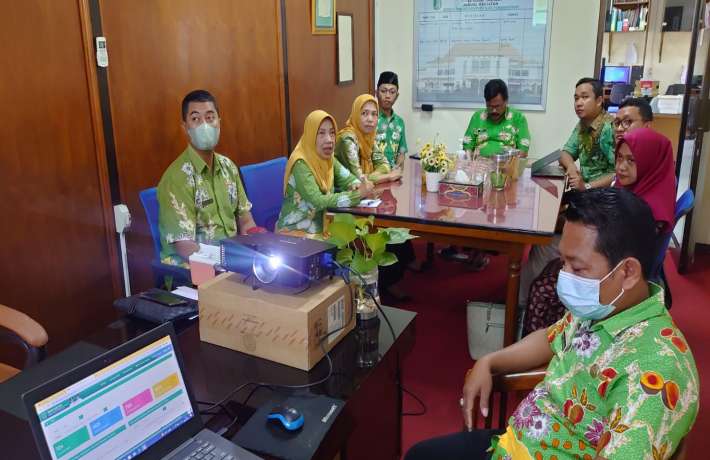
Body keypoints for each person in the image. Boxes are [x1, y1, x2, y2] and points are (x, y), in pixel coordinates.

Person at [405, 188, 698, 460]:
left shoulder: (655, 373)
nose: (564, 276)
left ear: (629, 271)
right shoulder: (604, 306)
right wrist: (490, 361)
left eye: (577, 267)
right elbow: (551, 337)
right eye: (564, 263)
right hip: (522, 440)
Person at [522, 128, 677, 335]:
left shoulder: (650, 210)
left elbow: (610, 249)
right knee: (547, 273)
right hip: (601, 267)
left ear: (651, 162)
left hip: (611, 283)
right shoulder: (633, 187)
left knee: (542, 288)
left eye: (631, 161)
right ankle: (549, 340)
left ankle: (543, 339)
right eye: (619, 158)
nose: (621, 167)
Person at [157, 89, 257, 266]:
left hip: (232, 263)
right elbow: (184, 246)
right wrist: (227, 261)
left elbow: (246, 220)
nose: (204, 125)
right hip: (193, 269)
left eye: (210, 117)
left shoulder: (229, 167)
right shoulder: (176, 179)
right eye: (195, 119)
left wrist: (255, 252)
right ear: (185, 128)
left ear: (219, 122)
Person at [276, 110, 374, 236]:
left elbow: (348, 178)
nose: (329, 139)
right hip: (295, 233)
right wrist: (357, 194)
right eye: (321, 133)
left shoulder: (328, 158)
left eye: (332, 133)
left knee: (358, 237)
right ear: (311, 135)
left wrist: (356, 184)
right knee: (351, 241)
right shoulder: (300, 163)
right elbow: (317, 201)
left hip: (322, 226)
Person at [560, 78, 615, 191]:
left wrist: (586, 187)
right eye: (576, 98)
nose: (579, 103)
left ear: (599, 101)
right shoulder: (583, 124)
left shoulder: (609, 128)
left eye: (585, 97)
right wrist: (571, 167)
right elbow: (565, 153)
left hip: (605, 196)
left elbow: (618, 174)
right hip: (585, 193)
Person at [335, 94, 402, 184]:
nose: (370, 119)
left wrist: (372, 176)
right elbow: (359, 179)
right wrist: (388, 177)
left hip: (364, 192)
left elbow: (385, 165)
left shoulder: (368, 136)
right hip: (344, 193)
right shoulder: (347, 139)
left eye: (374, 114)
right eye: (364, 113)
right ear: (355, 115)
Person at [463, 79, 531, 158]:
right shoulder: (477, 117)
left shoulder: (518, 118)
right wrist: (471, 162)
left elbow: (523, 151)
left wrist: (506, 166)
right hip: (480, 166)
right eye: (490, 106)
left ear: (506, 101)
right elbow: (467, 146)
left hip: (506, 166)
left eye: (497, 106)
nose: (494, 110)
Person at [376, 71, 408, 170]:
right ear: (376, 93)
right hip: (374, 175)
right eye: (383, 91)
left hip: (394, 175)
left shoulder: (399, 122)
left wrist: (396, 170)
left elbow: (402, 152)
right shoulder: (371, 119)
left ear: (397, 95)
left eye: (392, 92)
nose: (388, 96)